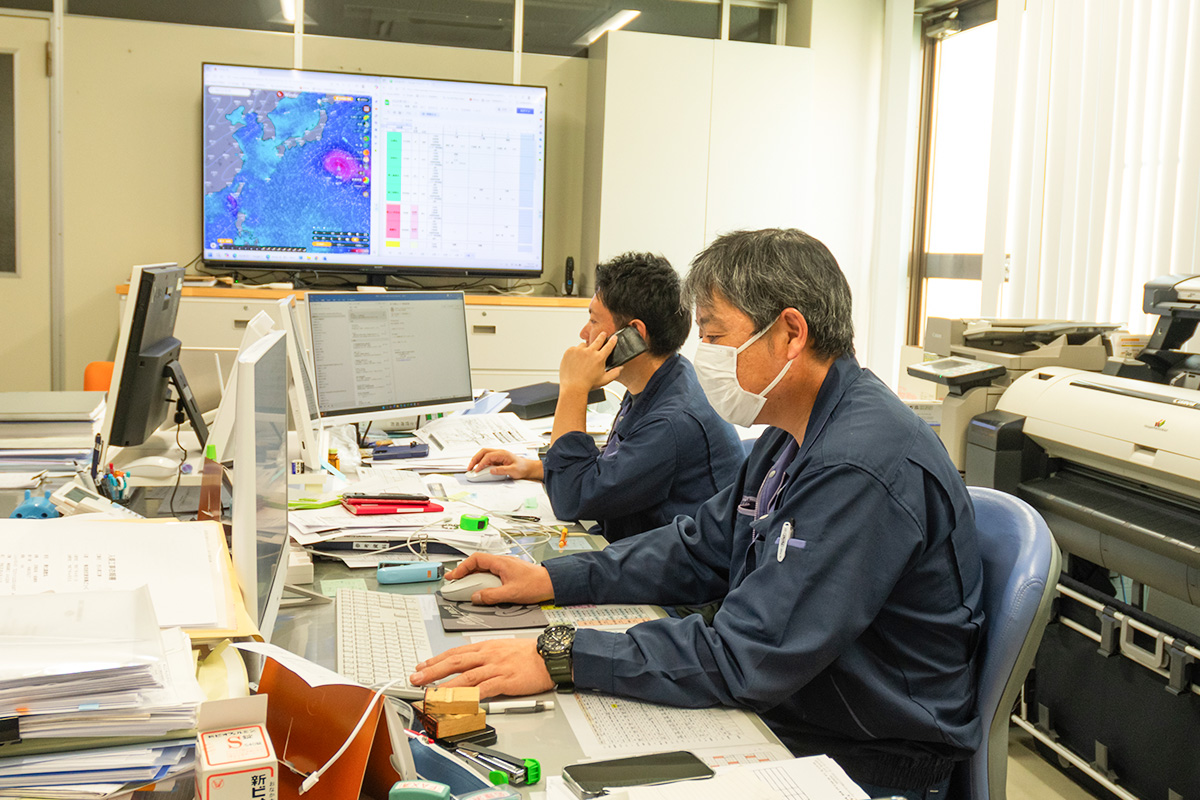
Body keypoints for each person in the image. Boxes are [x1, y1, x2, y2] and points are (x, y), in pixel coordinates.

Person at [413, 229, 984, 800]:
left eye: (713, 335)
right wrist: (551, 579)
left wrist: (562, 653)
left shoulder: (857, 464)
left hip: (868, 754)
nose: (703, 352)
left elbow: (747, 655)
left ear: (790, 333)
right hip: (800, 705)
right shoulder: (792, 433)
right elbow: (698, 547)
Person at [468, 251, 744, 542]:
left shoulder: (671, 422)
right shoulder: (668, 376)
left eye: (593, 320)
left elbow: (569, 499)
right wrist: (536, 468)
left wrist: (573, 388)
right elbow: (618, 465)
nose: (583, 333)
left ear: (634, 334)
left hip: (668, 565)